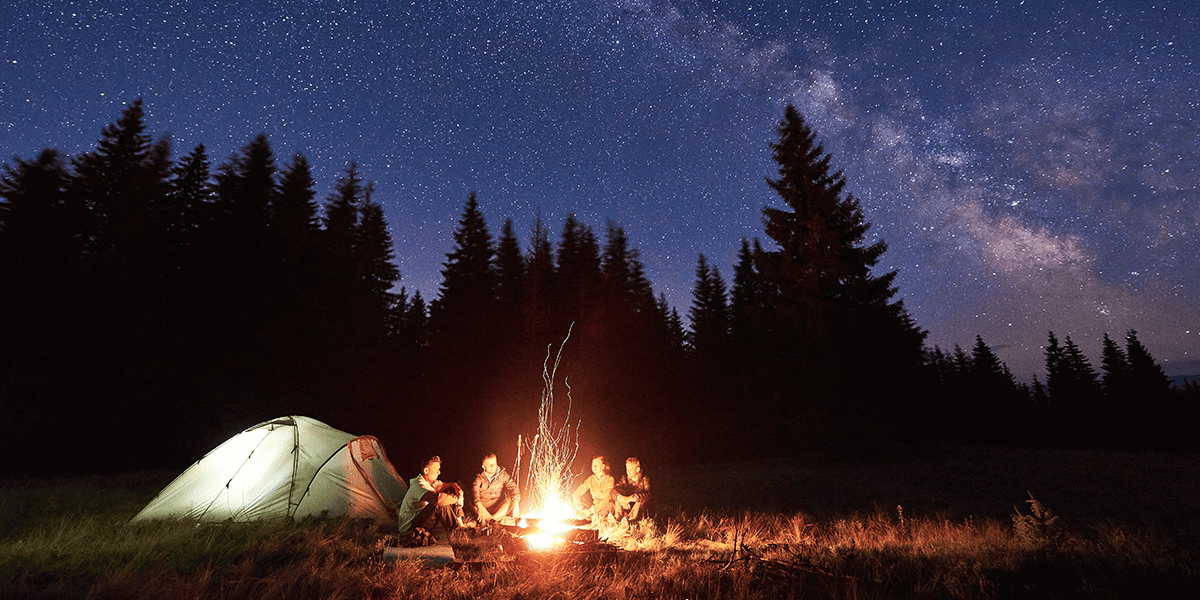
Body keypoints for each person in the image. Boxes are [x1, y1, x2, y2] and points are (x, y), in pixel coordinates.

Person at [397, 456, 465, 542]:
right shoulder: (419, 485)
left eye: (439, 469)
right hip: (410, 527)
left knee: (450, 493)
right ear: (426, 471)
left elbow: (452, 485)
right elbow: (438, 500)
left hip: (421, 520)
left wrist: (459, 494)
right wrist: (457, 499)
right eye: (436, 469)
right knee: (439, 504)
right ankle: (456, 530)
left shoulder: (431, 482)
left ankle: (461, 525)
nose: (439, 472)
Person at [472, 452, 521, 523]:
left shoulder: (502, 474)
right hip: (483, 509)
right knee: (475, 505)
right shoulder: (479, 477)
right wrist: (478, 505)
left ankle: (491, 521)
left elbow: (513, 487)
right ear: (483, 466)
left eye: (494, 464)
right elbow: (474, 492)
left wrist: (516, 503)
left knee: (511, 498)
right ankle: (492, 521)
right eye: (489, 465)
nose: (493, 466)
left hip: (498, 509)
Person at [572, 455, 615, 520]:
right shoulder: (591, 479)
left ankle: (596, 518)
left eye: (596, 465)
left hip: (605, 507)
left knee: (611, 504)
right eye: (593, 465)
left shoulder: (610, 479)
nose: (593, 467)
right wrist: (580, 508)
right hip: (594, 508)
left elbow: (607, 499)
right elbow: (577, 493)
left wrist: (591, 511)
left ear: (603, 466)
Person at [614, 456, 652, 522]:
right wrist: (621, 498)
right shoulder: (624, 479)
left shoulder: (645, 480)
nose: (628, 472)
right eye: (626, 469)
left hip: (640, 509)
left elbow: (648, 494)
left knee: (640, 502)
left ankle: (633, 520)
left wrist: (633, 498)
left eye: (630, 469)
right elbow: (614, 490)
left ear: (637, 470)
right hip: (627, 506)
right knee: (617, 501)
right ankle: (618, 520)